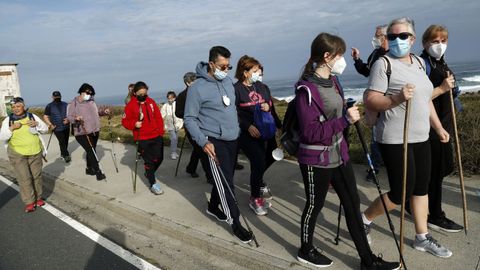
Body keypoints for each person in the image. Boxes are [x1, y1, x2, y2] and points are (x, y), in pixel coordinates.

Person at [294, 32, 399, 269]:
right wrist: (344, 121)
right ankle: (306, 249)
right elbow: (310, 132)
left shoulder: (333, 81)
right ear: (327, 56)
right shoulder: (306, 90)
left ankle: (368, 260)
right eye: (339, 54)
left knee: (352, 205)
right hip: (315, 159)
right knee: (314, 205)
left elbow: (334, 114)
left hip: (338, 155)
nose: (342, 60)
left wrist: (346, 111)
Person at [362, 18, 453, 258]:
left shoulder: (420, 63)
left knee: (421, 188)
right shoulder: (383, 64)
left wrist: (438, 127)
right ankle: (364, 219)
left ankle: (422, 237)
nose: (397, 41)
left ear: (412, 40)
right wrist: (396, 99)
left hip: (421, 135)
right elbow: (371, 98)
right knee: (400, 193)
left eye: (403, 36)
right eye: (392, 37)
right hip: (394, 138)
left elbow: (425, 99)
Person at [184, 45, 253, 243]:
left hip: (233, 138)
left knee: (226, 176)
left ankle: (213, 207)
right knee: (226, 183)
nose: (226, 70)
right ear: (212, 64)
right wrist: (204, 142)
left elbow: (231, 109)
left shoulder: (228, 82)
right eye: (223, 67)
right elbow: (189, 119)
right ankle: (236, 223)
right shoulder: (197, 88)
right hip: (213, 141)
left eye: (228, 67)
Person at [420, 24, 463, 232]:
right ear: (425, 43)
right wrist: (442, 88)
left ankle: (418, 205)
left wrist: (453, 91)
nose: (439, 45)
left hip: (444, 125)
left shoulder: (439, 62)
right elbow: (420, 98)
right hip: (430, 127)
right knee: (436, 173)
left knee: (444, 168)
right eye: (435, 41)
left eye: (443, 41)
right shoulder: (422, 64)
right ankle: (435, 215)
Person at [234, 55, 281, 215]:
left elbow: (270, 107)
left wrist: (278, 125)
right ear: (245, 72)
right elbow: (233, 112)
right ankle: (255, 198)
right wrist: (247, 126)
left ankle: (259, 179)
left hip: (266, 130)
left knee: (271, 156)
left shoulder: (262, 87)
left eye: (259, 71)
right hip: (246, 133)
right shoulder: (236, 89)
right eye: (255, 71)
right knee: (258, 160)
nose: (259, 73)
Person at [351, 24, 389, 181]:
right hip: (375, 101)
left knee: (390, 134)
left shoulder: (393, 55)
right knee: (375, 136)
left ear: (386, 37)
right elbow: (366, 71)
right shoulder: (375, 53)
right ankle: (374, 168)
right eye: (375, 36)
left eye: (378, 35)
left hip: (390, 100)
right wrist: (356, 59)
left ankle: (390, 163)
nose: (375, 39)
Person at [0, 97, 48, 212]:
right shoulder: (8, 120)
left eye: (18, 106)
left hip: (35, 151)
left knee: (36, 177)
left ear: (24, 106)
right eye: (13, 107)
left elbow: (45, 129)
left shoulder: (32, 116)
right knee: (24, 178)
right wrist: (11, 128)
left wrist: (37, 124)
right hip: (17, 153)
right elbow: (2, 137)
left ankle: (38, 198)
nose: (16, 109)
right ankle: (30, 202)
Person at [122, 81, 165, 195]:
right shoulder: (131, 105)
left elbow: (158, 117)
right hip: (142, 138)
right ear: (135, 93)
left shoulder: (151, 102)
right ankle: (153, 183)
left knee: (160, 158)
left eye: (145, 93)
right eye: (140, 93)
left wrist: (161, 132)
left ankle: (149, 172)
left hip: (156, 135)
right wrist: (134, 124)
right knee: (149, 161)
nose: (143, 95)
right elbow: (125, 121)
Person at [175, 72, 214, 182]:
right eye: (193, 81)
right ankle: (210, 176)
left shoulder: (201, 92)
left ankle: (190, 168)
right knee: (202, 150)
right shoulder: (182, 96)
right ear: (187, 83)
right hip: (191, 126)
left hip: (204, 124)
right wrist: (190, 112)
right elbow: (178, 113)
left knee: (198, 149)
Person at [67, 83, 110, 181]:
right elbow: (69, 117)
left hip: (94, 130)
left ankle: (89, 168)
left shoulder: (91, 101)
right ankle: (98, 172)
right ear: (81, 92)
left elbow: (97, 112)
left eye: (91, 94)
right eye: (87, 93)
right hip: (82, 132)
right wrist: (76, 118)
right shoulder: (74, 102)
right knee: (91, 150)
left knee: (92, 150)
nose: (89, 95)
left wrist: (104, 112)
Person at [43, 91, 71, 162]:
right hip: (56, 127)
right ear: (52, 97)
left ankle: (62, 154)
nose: (56, 98)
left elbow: (70, 114)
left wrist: (68, 119)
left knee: (65, 141)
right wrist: (50, 125)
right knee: (62, 141)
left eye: (58, 96)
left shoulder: (65, 104)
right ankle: (66, 155)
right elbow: (45, 116)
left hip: (66, 126)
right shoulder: (49, 106)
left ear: (60, 96)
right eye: (55, 97)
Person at [161, 91, 183, 160]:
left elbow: (181, 113)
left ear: (174, 97)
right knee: (173, 138)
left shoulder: (177, 104)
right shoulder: (165, 105)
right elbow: (161, 114)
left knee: (176, 138)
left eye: (171, 98)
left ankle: (175, 150)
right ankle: (173, 153)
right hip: (169, 123)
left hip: (177, 123)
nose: (170, 100)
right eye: (168, 98)